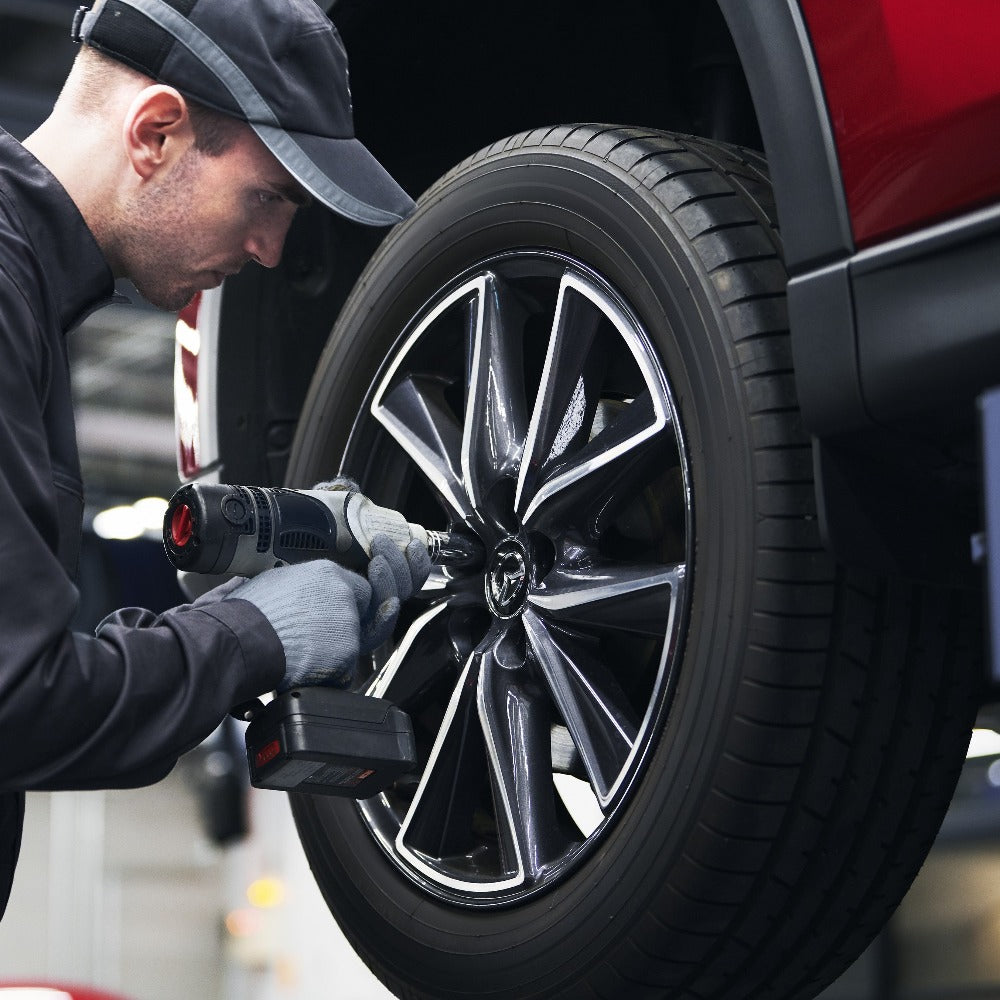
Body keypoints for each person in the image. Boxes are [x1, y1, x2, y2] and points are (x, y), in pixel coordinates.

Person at [0, 0, 427, 919]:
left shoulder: (28, 295)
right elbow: (17, 704)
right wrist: (253, 635)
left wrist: (243, 612)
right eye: (268, 196)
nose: (272, 251)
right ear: (156, 131)